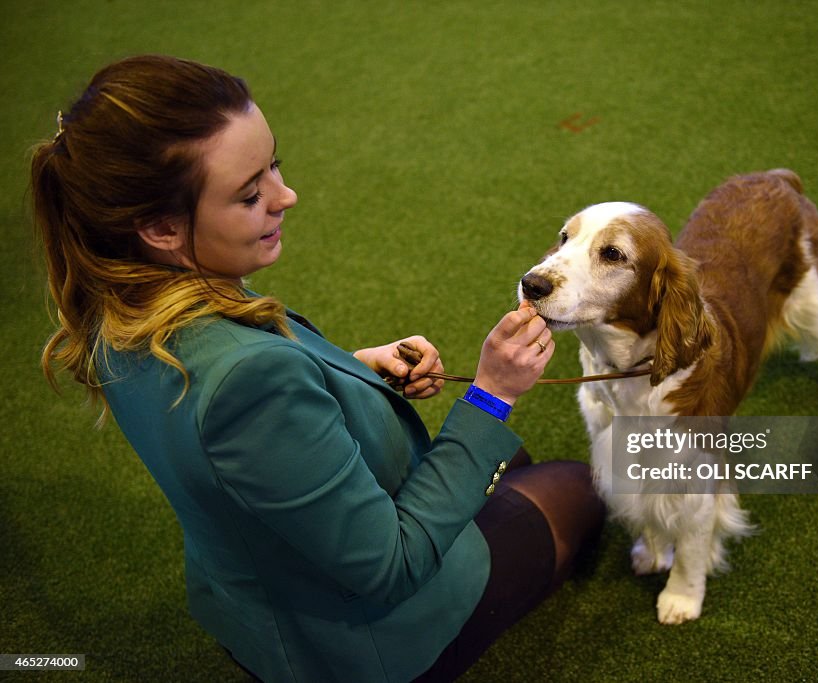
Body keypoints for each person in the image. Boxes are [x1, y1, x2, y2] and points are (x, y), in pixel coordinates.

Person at [31, 55, 604, 682]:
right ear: (162, 227)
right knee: (575, 486)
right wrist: (492, 395)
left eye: (274, 164)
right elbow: (390, 566)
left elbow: (231, 431)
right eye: (250, 194)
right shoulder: (248, 382)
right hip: (358, 646)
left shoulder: (118, 303)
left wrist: (359, 370)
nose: (286, 196)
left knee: (510, 466)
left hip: (256, 592)